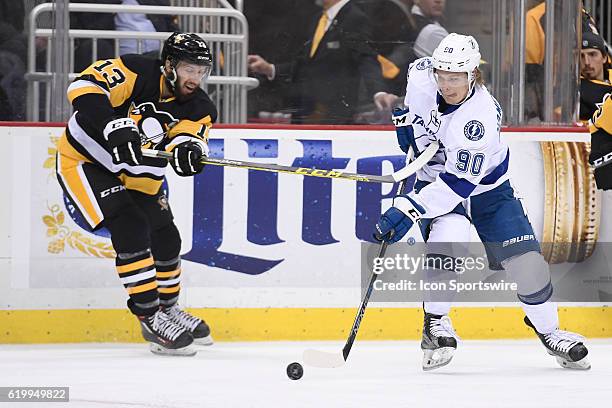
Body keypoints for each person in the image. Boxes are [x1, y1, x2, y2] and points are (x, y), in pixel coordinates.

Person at [373, 33, 590, 371]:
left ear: (473, 74)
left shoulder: (479, 117)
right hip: (435, 180)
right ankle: (435, 323)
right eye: (442, 76)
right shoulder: (420, 75)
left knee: (527, 264)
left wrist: (409, 207)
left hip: (486, 191)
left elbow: (458, 183)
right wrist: (409, 131)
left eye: (455, 77)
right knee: (450, 238)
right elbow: (417, 113)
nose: (446, 84)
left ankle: (550, 330)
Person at [55, 32, 216, 356]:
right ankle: (149, 316)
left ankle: (169, 310)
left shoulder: (200, 106)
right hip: (88, 162)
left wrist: (188, 151)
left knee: (167, 237)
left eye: (201, 71)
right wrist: (111, 124)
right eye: (189, 69)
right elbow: (82, 87)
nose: (195, 78)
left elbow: (188, 140)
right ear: (169, 65)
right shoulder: (135, 71)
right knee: (131, 225)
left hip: (140, 176)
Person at [247, 0, 384, 124]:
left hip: (334, 117)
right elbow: (306, 65)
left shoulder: (354, 17)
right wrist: (269, 69)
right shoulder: (318, 18)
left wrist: (379, 92)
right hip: (308, 112)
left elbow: (366, 58)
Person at [580, 31, 612, 122]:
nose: (586, 62)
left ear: (604, 57)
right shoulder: (574, 90)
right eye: (581, 56)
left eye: (592, 54)